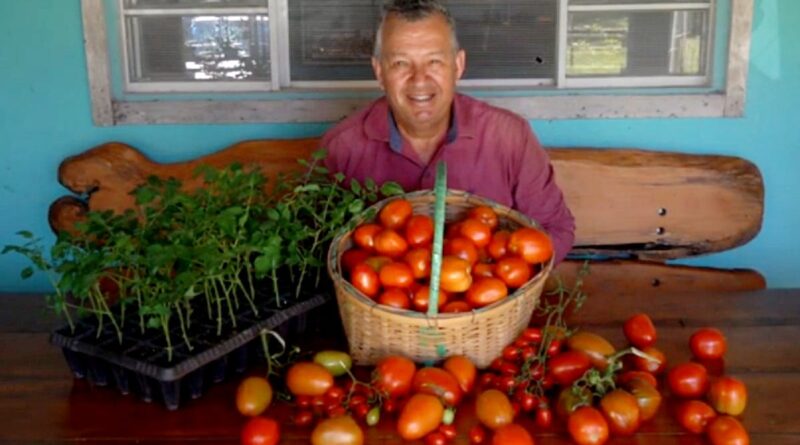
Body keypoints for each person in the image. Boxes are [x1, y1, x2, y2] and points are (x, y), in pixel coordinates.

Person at [321, 0, 575, 264]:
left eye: (434, 61)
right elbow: (317, 246)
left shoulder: (509, 137)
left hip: (490, 298)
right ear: (379, 72)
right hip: (381, 302)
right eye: (400, 63)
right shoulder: (341, 148)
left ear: (458, 65)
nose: (419, 80)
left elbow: (555, 230)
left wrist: (501, 279)